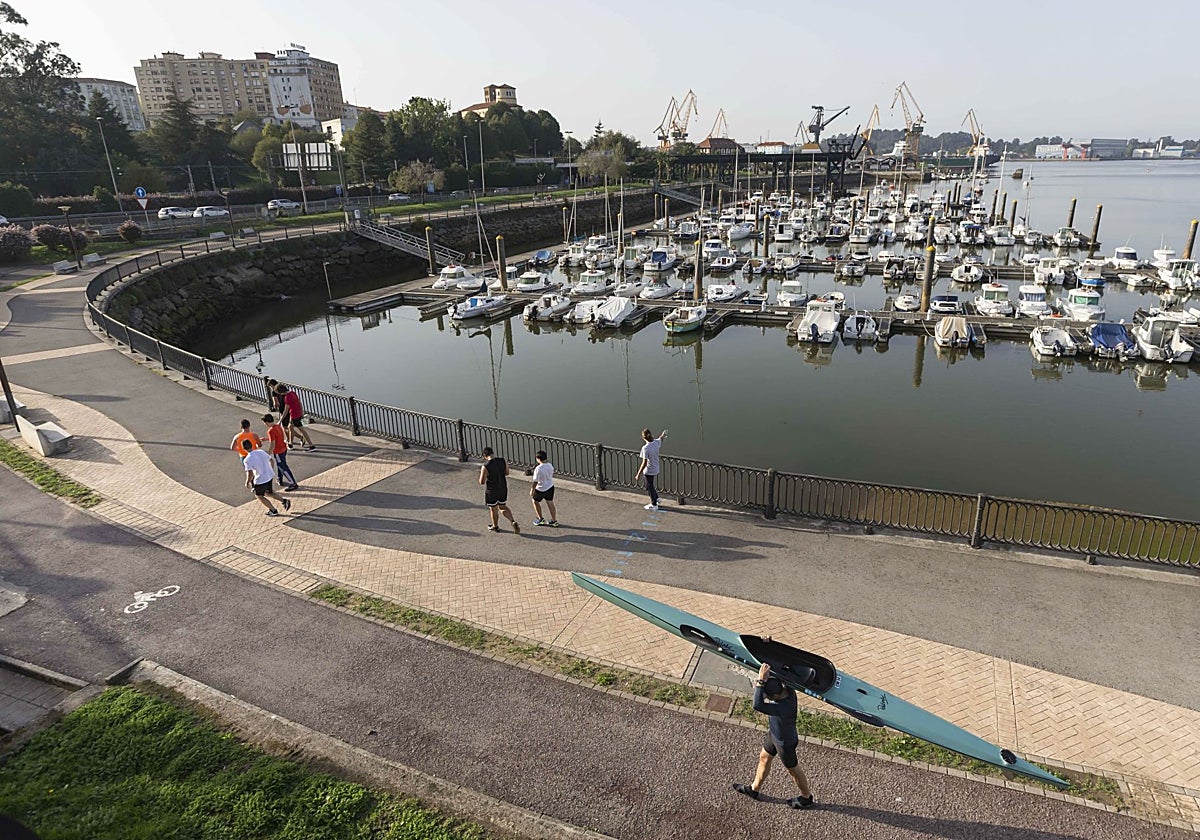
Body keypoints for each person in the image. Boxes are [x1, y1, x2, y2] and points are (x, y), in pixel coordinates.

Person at [732, 663, 815, 810]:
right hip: (774, 735)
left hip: (785, 743)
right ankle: (754, 789)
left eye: (768, 697)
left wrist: (760, 682)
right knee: (764, 758)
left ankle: (806, 797)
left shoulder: (783, 707)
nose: (767, 698)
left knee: (793, 770)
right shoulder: (787, 688)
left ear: (775, 696)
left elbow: (757, 705)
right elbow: (782, 667)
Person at [479, 446, 520, 534]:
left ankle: (495, 526)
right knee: (502, 507)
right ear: (493, 453)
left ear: (485, 456)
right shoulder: (502, 461)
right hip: (503, 488)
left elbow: (481, 482)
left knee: (493, 509)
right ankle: (512, 521)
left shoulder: (485, 466)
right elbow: (507, 473)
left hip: (492, 491)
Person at [243, 445, 291, 517]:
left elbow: (250, 473)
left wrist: (247, 482)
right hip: (269, 476)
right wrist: (270, 469)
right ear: (251, 445)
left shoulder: (247, 460)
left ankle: (273, 510)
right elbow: (271, 460)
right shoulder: (261, 452)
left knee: (259, 496)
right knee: (269, 493)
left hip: (260, 480)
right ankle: (284, 501)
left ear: (244, 449)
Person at [262, 413, 299, 491]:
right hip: (283, 448)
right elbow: (277, 438)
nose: (265, 425)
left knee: (283, 467)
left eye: (264, 423)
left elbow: (273, 444)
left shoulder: (271, 431)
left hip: (278, 451)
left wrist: (268, 454)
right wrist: (266, 439)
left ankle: (293, 483)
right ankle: (280, 478)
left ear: (267, 422)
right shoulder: (278, 426)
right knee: (280, 465)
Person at [634, 428, 667, 512]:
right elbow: (661, 439)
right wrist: (662, 435)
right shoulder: (655, 442)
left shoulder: (645, 448)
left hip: (649, 470)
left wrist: (638, 474)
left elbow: (644, 462)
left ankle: (654, 504)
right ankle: (657, 498)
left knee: (648, 486)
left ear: (643, 438)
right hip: (656, 468)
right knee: (650, 485)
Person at [277, 383, 314, 450]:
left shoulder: (287, 397)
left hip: (294, 415)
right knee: (290, 427)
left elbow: (286, 410)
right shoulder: (293, 393)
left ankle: (311, 445)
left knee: (301, 430)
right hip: (298, 413)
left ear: (281, 392)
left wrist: (280, 421)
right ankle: (290, 444)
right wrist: (302, 412)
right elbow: (299, 402)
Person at [529, 450, 559, 527]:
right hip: (550, 487)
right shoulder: (550, 465)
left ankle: (540, 519)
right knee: (550, 503)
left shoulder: (538, 468)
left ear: (538, 459)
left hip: (540, 489)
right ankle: (554, 520)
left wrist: (532, 490)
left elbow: (535, 481)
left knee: (535, 501)